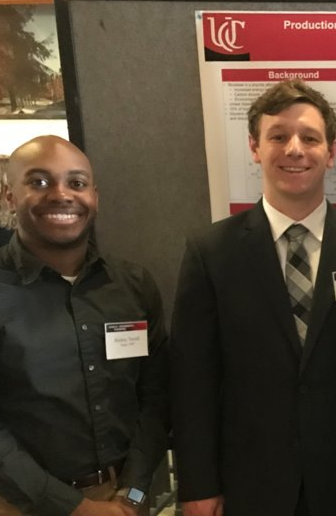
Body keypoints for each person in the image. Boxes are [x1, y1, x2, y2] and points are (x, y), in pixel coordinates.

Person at [170, 80, 336, 516]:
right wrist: (198, 485)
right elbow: (194, 381)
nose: (295, 149)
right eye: (278, 136)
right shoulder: (211, 252)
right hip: (249, 486)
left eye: (310, 137)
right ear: (254, 147)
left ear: (331, 150)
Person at [0, 136, 169, 516]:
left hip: (124, 500)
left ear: (95, 196)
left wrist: (134, 494)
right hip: (20, 503)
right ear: (9, 196)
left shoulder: (133, 286)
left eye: (76, 183)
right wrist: (73, 507)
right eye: (39, 182)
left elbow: (157, 397)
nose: (61, 195)